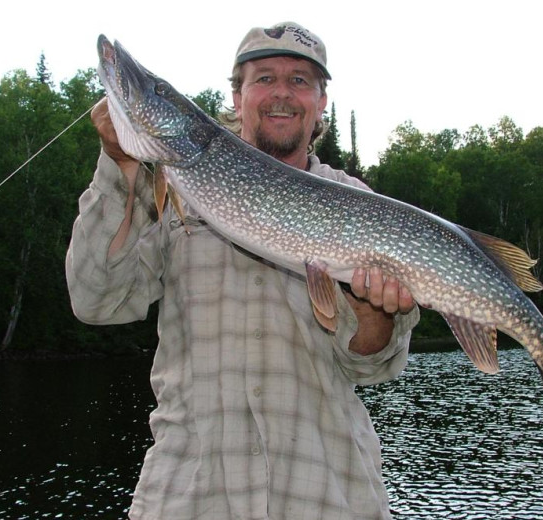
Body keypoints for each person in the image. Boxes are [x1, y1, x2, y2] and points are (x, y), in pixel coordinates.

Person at [66, 21, 420, 520]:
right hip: (190, 496)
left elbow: (375, 366)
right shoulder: (167, 191)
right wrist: (118, 166)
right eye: (263, 78)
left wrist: (373, 309)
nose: (282, 92)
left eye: (300, 80)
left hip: (327, 496)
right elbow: (95, 301)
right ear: (237, 97)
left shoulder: (358, 204)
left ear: (321, 102)